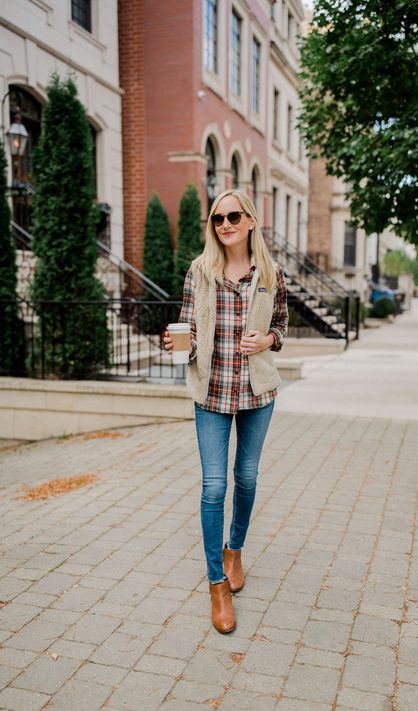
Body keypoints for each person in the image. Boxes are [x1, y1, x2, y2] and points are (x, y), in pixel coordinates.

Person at [163, 189, 288, 633]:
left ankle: (235, 549)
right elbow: (190, 329)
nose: (225, 224)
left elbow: (281, 327)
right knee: (214, 486)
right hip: (212, 392)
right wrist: (178, 342)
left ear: (250, 221)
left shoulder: (271, 273)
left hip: (256, 393)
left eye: (233, 216)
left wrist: (268, 341)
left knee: (247, 477)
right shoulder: (199, 272)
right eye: (218, 218)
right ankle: (217, 583)